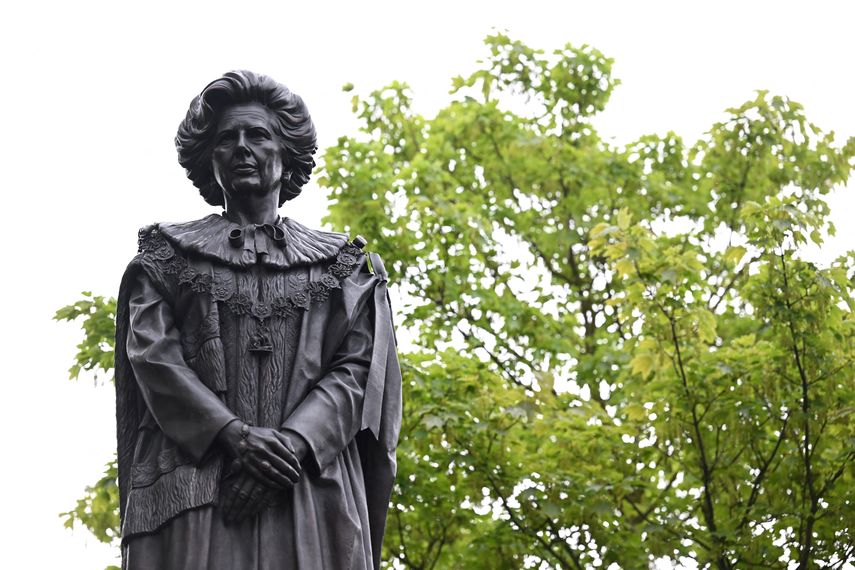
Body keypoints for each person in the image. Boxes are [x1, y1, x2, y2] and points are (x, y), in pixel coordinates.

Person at [114, 70, 401, 570]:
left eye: (258, 135)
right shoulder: (164, 258)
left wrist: (289, 446)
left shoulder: (345, 267)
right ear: (210, 158)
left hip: (310, 487)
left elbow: (360, 372)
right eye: (227, 138)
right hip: (198, 490)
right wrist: (232, 436)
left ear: (285, 152)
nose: (242, 148)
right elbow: (153, 358)